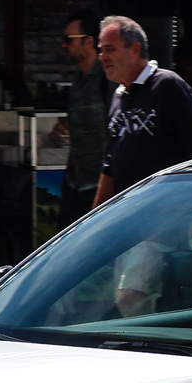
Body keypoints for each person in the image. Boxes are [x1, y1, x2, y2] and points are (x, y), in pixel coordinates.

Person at [93, 15, 192, 208]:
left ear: (135, 49)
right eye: (101, 50)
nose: (102, 57)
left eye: (110, 49)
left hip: (168, 210)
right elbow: (110, 167)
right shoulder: (119, 97)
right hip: (129, 212)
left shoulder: (167, 85)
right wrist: (94, 220)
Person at [57, 13, 111, 228]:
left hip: (98, 184)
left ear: (89, 41)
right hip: (74, 182)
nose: (64, 45)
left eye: (69, 39)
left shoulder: (106, 78)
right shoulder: (78, 81)